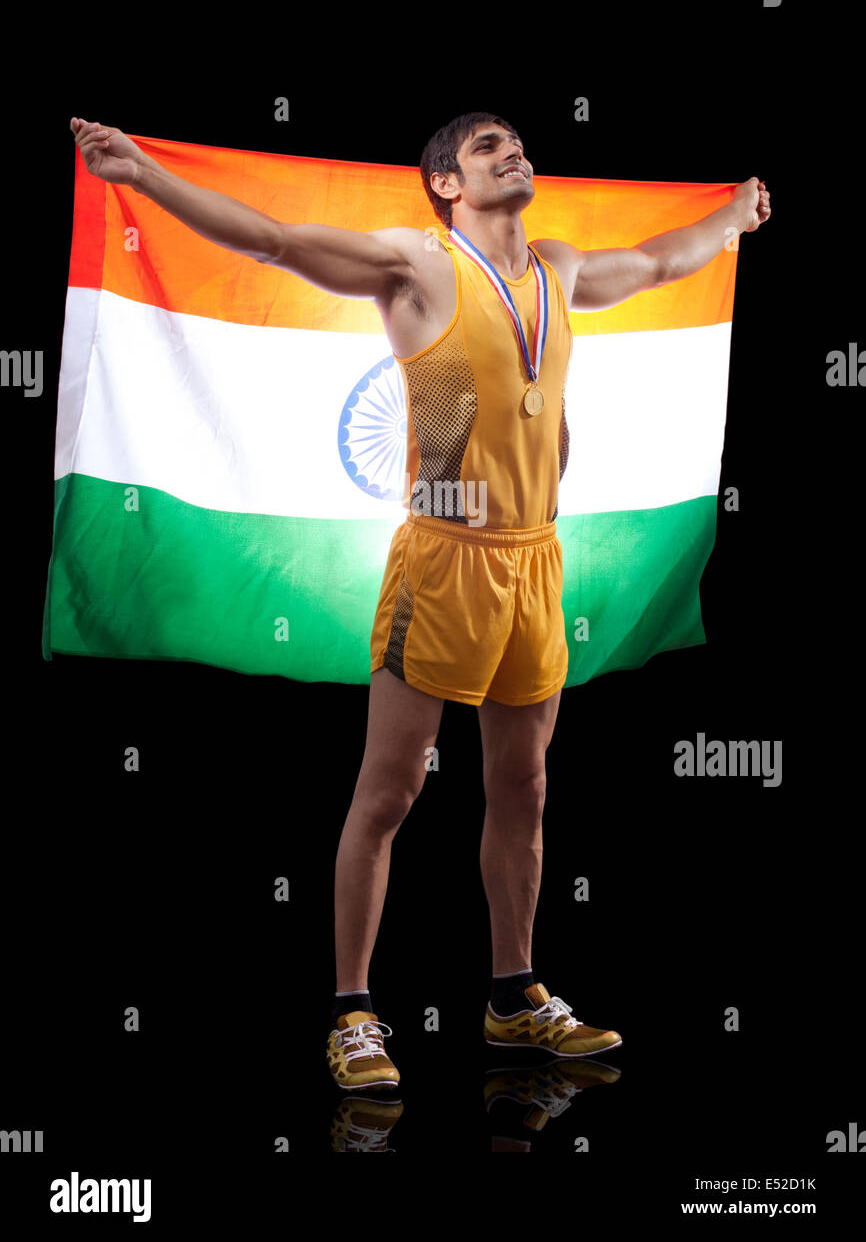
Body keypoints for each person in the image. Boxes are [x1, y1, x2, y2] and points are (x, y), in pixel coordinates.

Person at [70, 112, 771, 1090]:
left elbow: (658, 262)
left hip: (533, 565)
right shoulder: (417, 267)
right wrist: (142, 176)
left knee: (522, 787)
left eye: (518, 143)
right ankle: (351, 1013)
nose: (512, 153)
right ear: (445, 183)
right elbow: (270, 240)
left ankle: (513, 996)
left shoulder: (556, 271)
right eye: (487, 148)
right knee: (390, 792)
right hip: (440, 565)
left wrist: (732, 217)